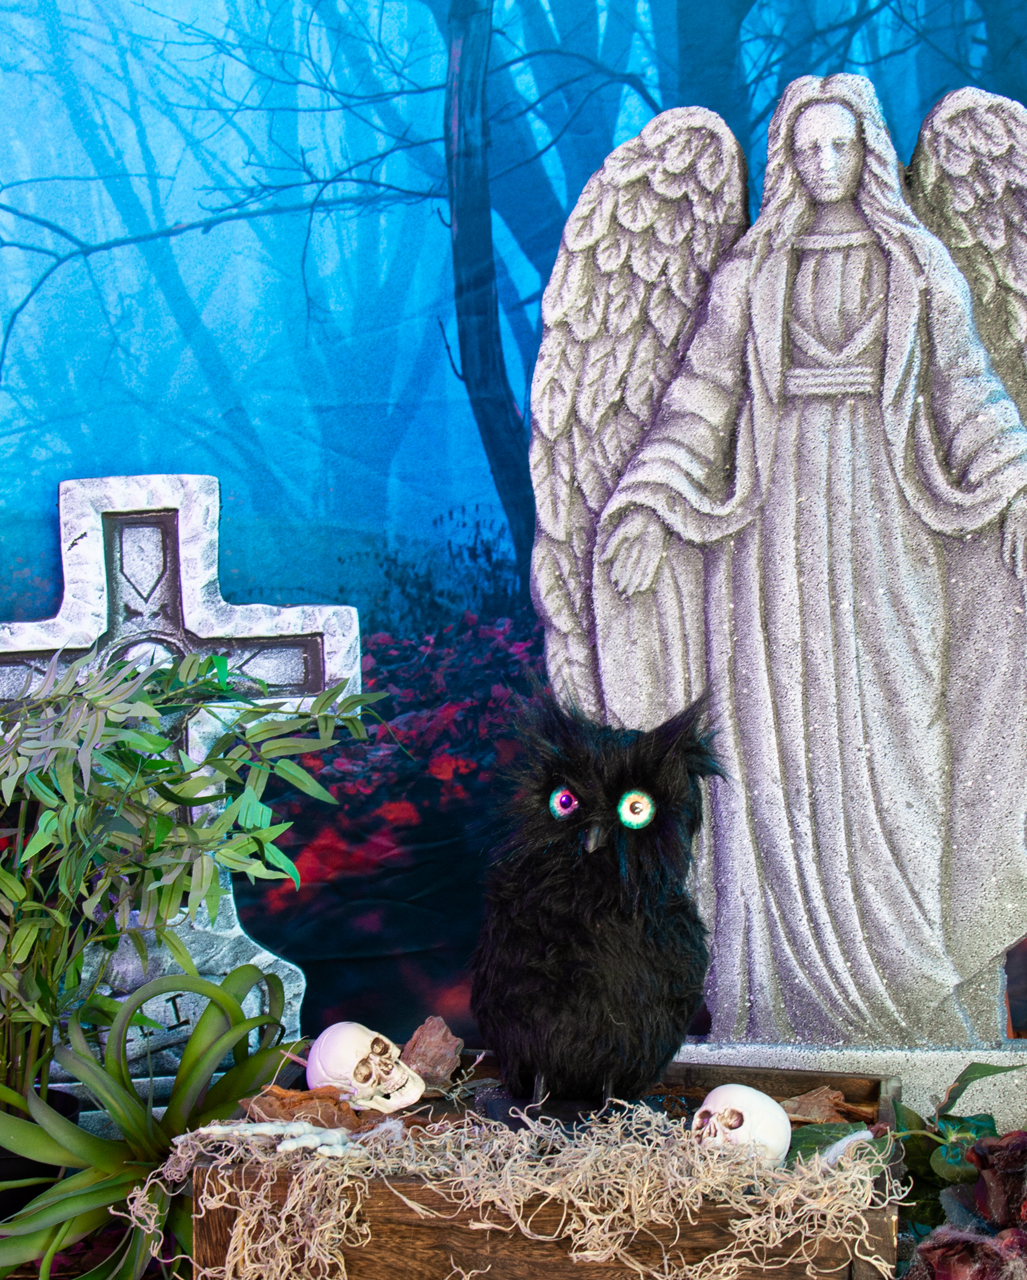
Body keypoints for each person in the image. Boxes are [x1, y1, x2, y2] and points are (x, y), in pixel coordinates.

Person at [592, 74, 1027, 1045]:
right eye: (806, 149)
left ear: (868, 152)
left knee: (905, 738)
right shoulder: (751, 273)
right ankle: (778, 1001)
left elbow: (967, 390)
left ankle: (919, 989)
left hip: (892, 523)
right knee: (777, 749)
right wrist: (650, 500)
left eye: (840, 146)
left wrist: (1015, 484)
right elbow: (700, 397)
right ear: (786, 160)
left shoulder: (917, 264)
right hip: (770, 538)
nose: (824, 164)